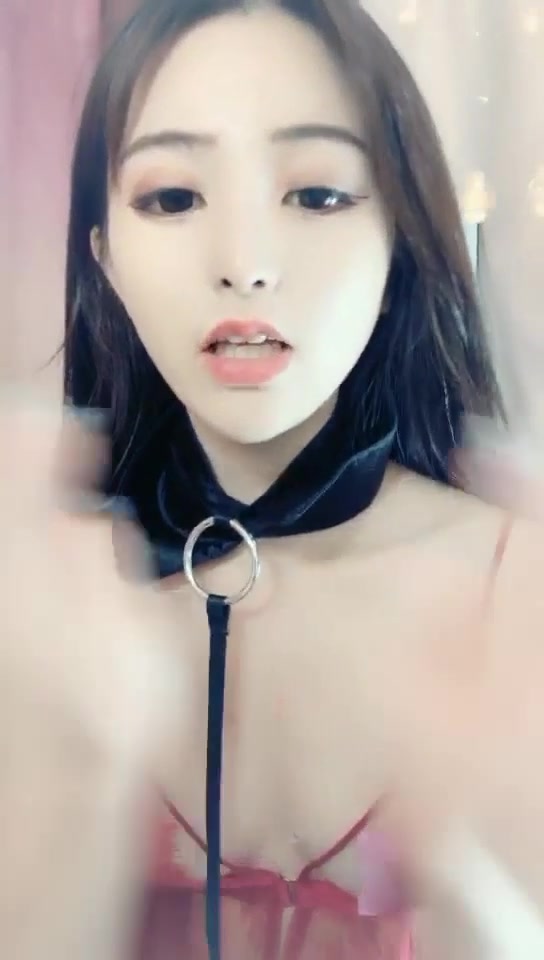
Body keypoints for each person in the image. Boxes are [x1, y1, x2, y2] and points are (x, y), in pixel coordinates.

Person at [4, 1, 544, 959]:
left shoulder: (518, 591)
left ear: (399, 238)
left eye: (319, 194)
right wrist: (76, 797)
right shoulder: (45, 605)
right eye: (174, 198)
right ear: (105, 257)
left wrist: (466, 870)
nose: (245, 266)